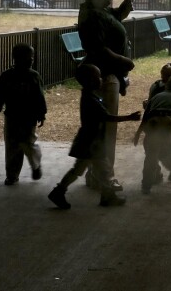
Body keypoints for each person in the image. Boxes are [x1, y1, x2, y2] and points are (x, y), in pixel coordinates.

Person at [77, 0, 142, 191]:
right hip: (104, 77)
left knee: (101, 129)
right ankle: (105, 177)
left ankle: (95, 174)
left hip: (108, 75)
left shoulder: (100, 12)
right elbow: (99, 49)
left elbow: (119, 14)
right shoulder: (92, 16)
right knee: (106, 129)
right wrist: (124, 61)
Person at [48, 64, 141, 210]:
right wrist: (128, 117)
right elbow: (107, 117)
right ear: (91, 81)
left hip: (91, 141)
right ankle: (60, 191)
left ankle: (105, 196)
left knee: (95, 169)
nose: (101, 79)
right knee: (88, 170)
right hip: (92, 143)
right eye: (98, 76)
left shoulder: (90, 96)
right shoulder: (91, 100)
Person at [0, 43, 47, 186]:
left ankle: (33, 166)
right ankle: (13, 174)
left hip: (24, 117)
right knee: (16, 146)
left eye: (31, 57)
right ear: (17, 58)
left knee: (23, 145)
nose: (31, 60)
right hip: (16, 117)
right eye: (29, 57)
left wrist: (41, 113)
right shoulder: (16, 76)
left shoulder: (17, 76)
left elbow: (39, 97)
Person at [134, 74, 171, 195]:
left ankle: (146, 186)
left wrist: (138, 133)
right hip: (168, 123)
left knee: (151, 157)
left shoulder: (156, 97)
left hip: (153, 123)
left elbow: (146, 116)